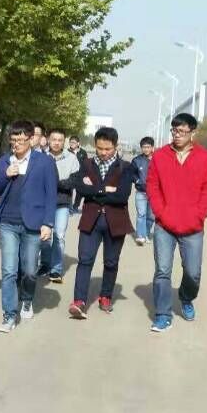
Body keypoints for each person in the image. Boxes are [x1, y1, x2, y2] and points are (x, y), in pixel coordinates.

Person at [147, 113, 207, 332]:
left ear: (192, 132)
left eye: (182, 131)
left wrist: (199, 215)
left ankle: (186, 297)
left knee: (193, 272)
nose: (177, 135)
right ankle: (162, 314)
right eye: (174, 130)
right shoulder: (160, 156)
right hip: (164, 226)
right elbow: (152, 186)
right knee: (162, 271)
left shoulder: (205, 158)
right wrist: (161, 212)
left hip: (193, 227)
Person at [0, 120, 58, 333]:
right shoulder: (5, 160)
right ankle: (9, 315)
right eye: (13, 140)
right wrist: (6, 174)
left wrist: (48, 223)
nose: (17, 144)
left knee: (29, 270)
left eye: (21, 140)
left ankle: (27, 299)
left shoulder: (45, 162)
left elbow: (51, 194)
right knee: (9, 271)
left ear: (31, 139)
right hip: (8, 222)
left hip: (33, 223)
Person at [67, 127, 134, 319]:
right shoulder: (87, 164)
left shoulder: (125, 167)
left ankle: (106, 295)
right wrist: (105, 190)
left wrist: (95, 190)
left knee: (111, 262)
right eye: (99, 148)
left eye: (107, 149)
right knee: (85, 260)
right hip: (91, 220)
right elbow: (80, 188)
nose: (103, 153)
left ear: (116, 146)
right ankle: (79, 301)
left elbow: (122, 196)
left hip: (116, 221)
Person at [37, 128, 80, 284]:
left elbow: (73, 181)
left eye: (60, 140)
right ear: (48, 140)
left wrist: (54, 183)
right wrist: (58, 183)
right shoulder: (41, 156)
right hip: (43, 203)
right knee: (44, 236)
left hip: (62, 203)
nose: (56, 143)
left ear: (64, 141)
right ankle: (44, 264)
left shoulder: (72, 158)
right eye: (53, 139)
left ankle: (56, 269)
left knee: (59, 236)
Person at [131, 136, 156, 245]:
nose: (146, 149)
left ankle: (146, 233)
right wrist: (137, 180)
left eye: (148, 147)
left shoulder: (158, 159)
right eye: (144, 147)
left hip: (154, 193)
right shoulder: (136, 160)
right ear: (141, 148)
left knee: (151, 216)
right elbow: (131, 173)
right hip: (141, 192)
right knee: (141, 214)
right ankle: (140, 236)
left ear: (152, 147)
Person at [68, 135, 88, 214]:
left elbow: (86, 164)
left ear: (78, 143)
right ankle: (69, 208)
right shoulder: (67, 152)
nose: (72, 144)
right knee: (69, 191)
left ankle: (75, 206)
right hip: (70, 175)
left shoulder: (83, 152)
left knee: (79, 192)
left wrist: (86, 175)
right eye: (71, 142)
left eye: (74, 142)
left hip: (80, 175)